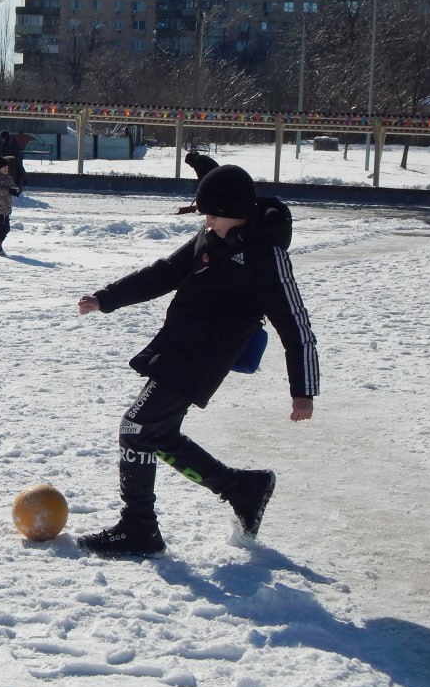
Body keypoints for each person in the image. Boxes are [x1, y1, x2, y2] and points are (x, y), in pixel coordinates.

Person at [75, 164, 320, 558]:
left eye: (213, 213)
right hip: (176, 347)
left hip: (202, 359)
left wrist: (303, 391)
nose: (207, 221)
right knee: (156, 434)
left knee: (136, 428)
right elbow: (165, 272)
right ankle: (242, 487)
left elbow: (295, 324)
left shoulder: (265, 255)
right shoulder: (209, 237)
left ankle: (139, 529)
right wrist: (107, 298)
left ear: (237, 211)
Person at [0, 156, 21, 255]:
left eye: (7, 167)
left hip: (5, 208)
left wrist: (16, 190)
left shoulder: (7, 178)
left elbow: (12, 186)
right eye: (3, 167)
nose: (6, 169)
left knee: (6, 228)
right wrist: (8, 190)